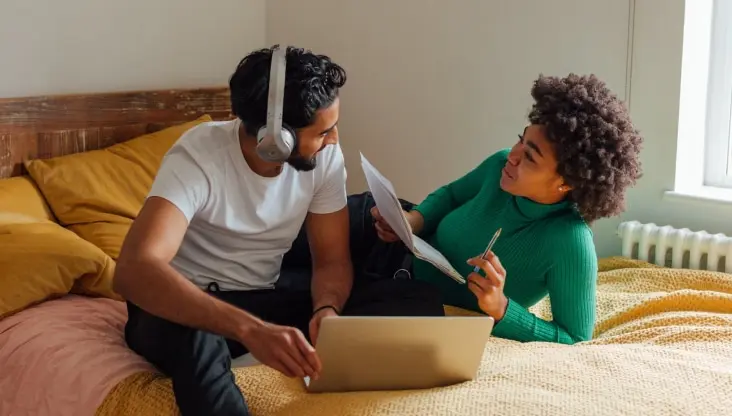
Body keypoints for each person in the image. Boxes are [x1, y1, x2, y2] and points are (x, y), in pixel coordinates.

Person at [113, 45, 444, 416]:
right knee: (198, 337)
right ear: (276, 137)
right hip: (185, 305)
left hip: (264, 294)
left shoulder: (324, 159)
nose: (333, 140)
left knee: (417, 300)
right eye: (323, 132)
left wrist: (327, 309)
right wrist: (251, 330)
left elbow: (332, 261)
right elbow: (134, 270)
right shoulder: (198, 155)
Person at [373, 73, 643, 345]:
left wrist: (501, 308)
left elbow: (574, 337)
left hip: (405, 293)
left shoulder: (570, 243)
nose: (512, 155)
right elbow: (452, 195)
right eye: (521, 140)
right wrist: (412, 221)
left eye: (530, 156)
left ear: (566, 183)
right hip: (391, 249)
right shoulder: (499, 165)